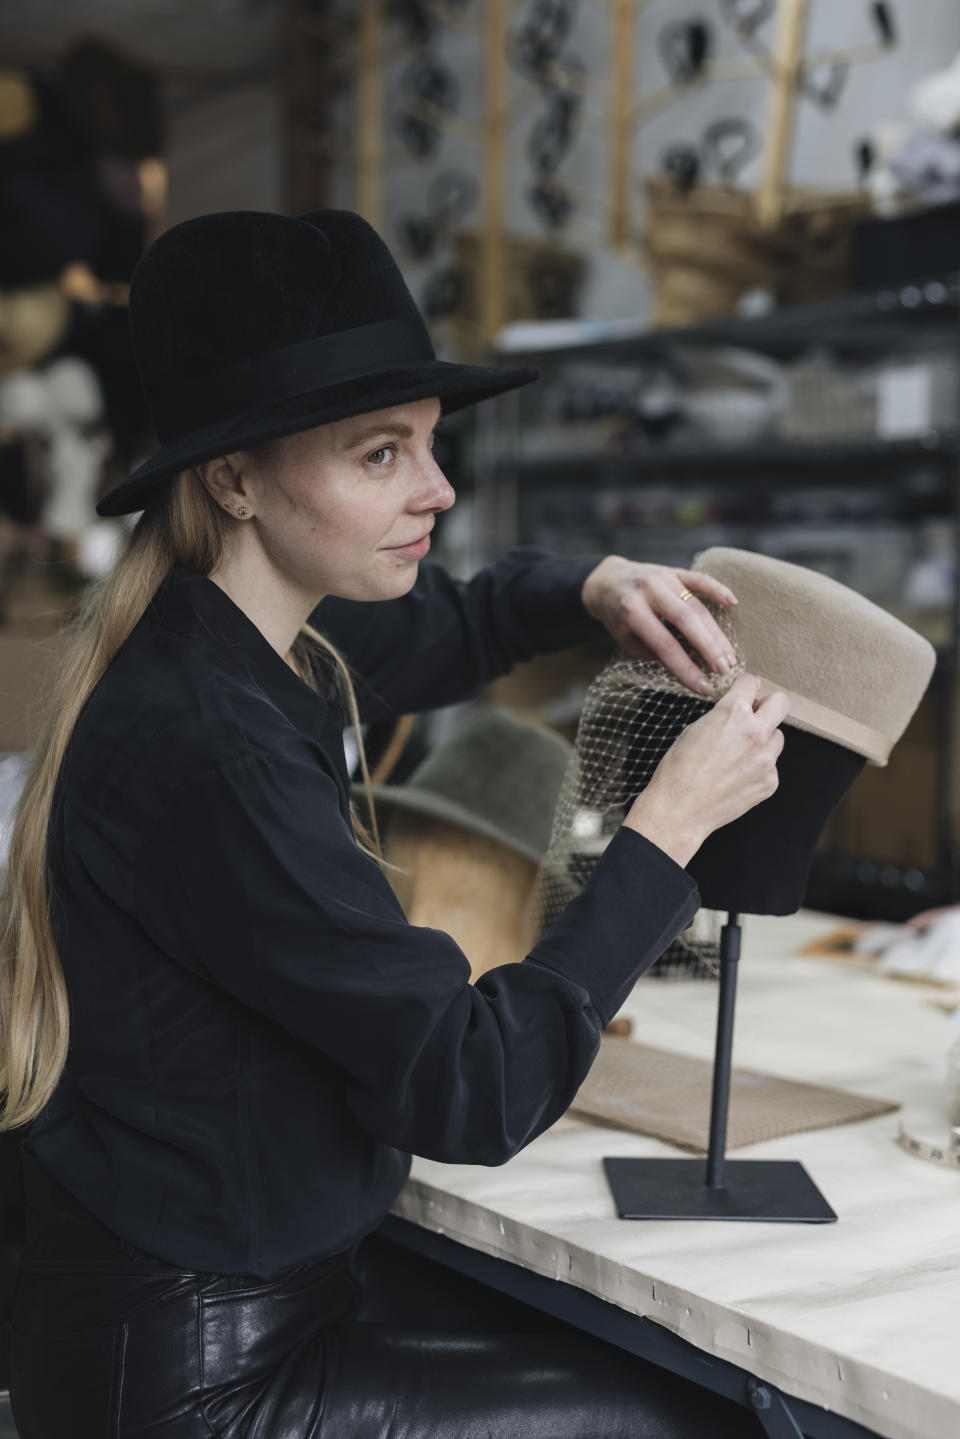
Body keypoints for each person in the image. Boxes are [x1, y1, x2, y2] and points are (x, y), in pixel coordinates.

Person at [0, 210, 787, 1438]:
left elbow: (450, 625)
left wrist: (594, 586)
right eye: (380, 455)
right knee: (706, 1413)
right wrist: (666, 828)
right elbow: (472, 1086)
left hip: (233, 1303)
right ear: (236, 477)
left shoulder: (237, 632)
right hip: (201, 1383)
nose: (438, 488)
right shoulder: (210, 744)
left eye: (427, 442)